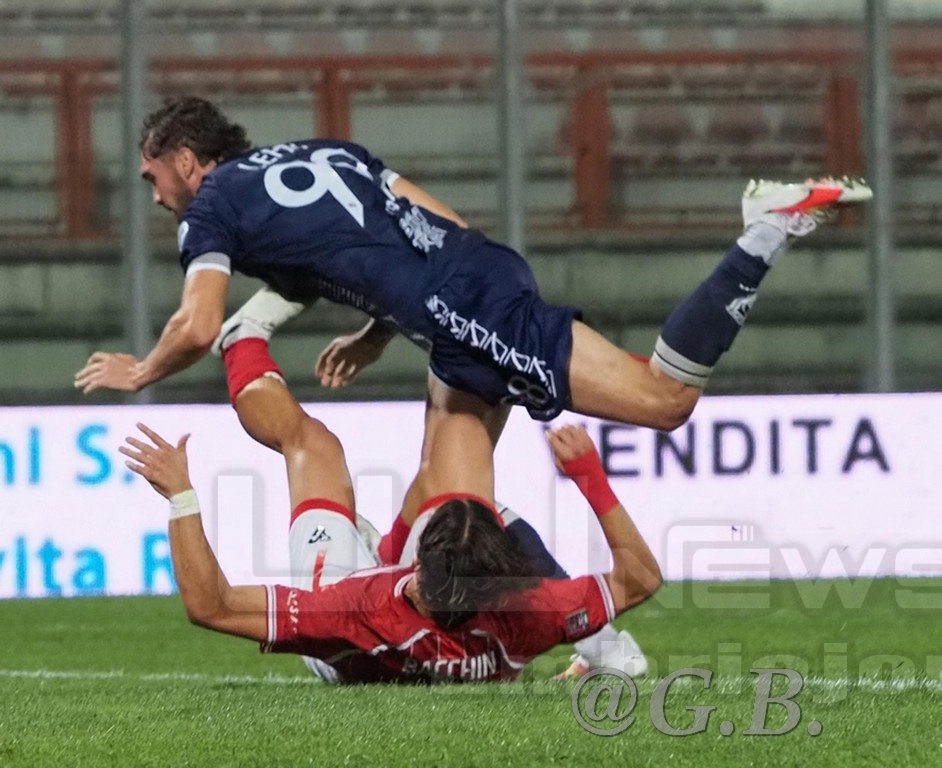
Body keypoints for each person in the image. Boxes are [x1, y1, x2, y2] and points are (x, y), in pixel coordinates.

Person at [74, 95, 872, 441]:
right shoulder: (324, 152)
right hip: (469, 280)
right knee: (448, 484)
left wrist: (141, 372)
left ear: (187, 160)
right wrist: (380, 330)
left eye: (153, 177)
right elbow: (433, 222)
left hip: (462, 310)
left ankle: (762, 233)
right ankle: (477, 639)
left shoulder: (212, 208)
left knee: (663, 401)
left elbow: (198, 324)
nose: (155, 194)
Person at [119, 335, 662, 683]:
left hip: (349, 604)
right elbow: (640, 578)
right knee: (454, 452)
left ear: (417, 561)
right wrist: (589, 477)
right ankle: (605, 647)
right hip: (442, 615)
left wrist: (180, 495)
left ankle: (242, 334)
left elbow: (210, 606)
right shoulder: (525, 613)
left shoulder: (347, 613)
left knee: (312, 445)